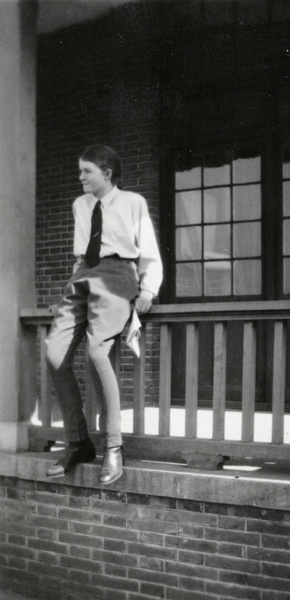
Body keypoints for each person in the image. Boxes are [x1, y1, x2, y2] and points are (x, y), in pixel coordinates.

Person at [45, 144, 162, 484]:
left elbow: (149, 253)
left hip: (117, 275)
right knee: (55, 353)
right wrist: (68, 289)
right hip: (83, 277)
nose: (80, 177)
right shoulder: (80, 205)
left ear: (107, 174)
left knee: (98, 350)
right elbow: (81, 255)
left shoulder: (132, 203)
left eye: (86, 171)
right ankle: (79, 442)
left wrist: (148, 290)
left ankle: (113, 446)